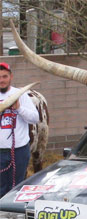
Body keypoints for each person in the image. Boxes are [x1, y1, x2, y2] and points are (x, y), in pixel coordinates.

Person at [0, 62, 39, 198]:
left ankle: (16, 218)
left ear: (11, 77)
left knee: (17, 189)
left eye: (5, 76)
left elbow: (35, 118)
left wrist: (19, 108)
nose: (1, 80)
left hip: (18, 152)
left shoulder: (20, 95)